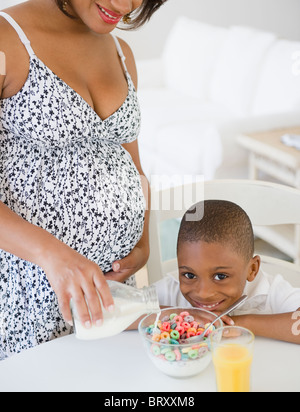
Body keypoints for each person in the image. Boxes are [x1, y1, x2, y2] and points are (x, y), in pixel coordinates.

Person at [0, 0, 166, 360]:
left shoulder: (122, 53)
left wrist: (141, 240)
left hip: (113, 297)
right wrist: (56, 258)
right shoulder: (6, 39)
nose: (126, 5)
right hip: (32, 298)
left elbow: (133, 164)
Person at [154, 200, 300, 344]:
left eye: (220, 276)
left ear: (252, 269)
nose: (203, 293)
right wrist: (181, 315)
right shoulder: (171, 288)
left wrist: (238, 324)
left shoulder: (270, 292)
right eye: (189, 275)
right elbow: (130, 310)